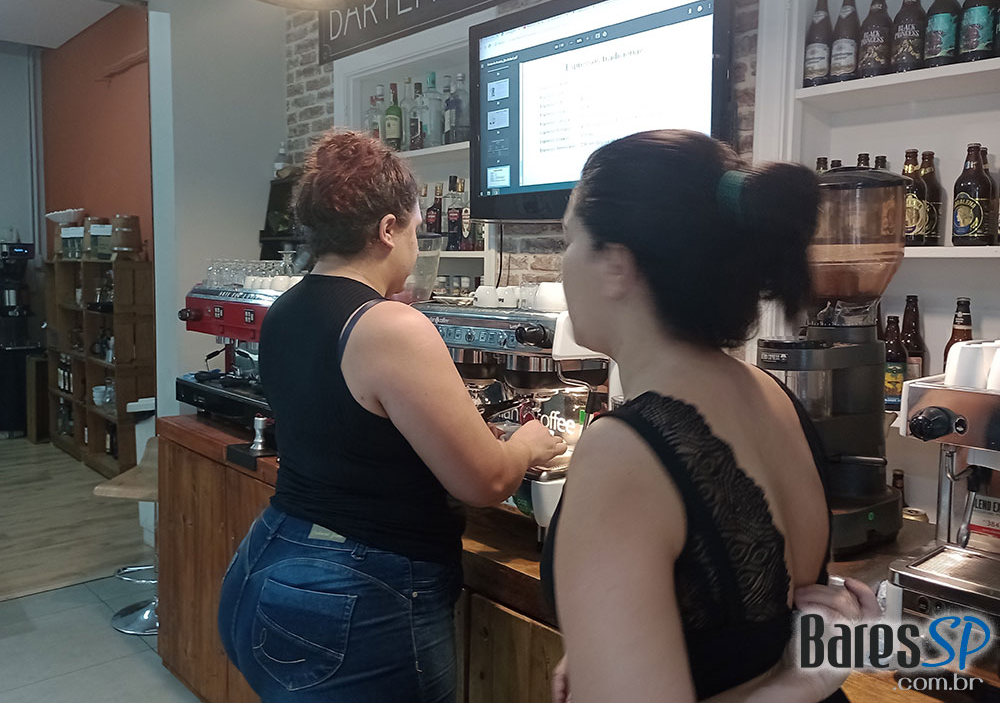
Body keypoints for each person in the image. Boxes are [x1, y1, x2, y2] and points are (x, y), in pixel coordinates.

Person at [217, 130, 565, 703]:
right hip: (352, 591)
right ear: (386, 229)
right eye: (416, 229)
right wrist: (527, 442)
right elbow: (485, 482)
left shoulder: (285, 308)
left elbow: (348, 429)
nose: (417, 246)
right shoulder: (389, 326)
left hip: (271, 558)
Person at [542, 130, 879, 703]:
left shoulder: (623, 451)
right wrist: (609, 638)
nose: (561, 262)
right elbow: (736, 631)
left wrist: (808, 681)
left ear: (617, 265)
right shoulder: (772, 395)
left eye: (569, 239)